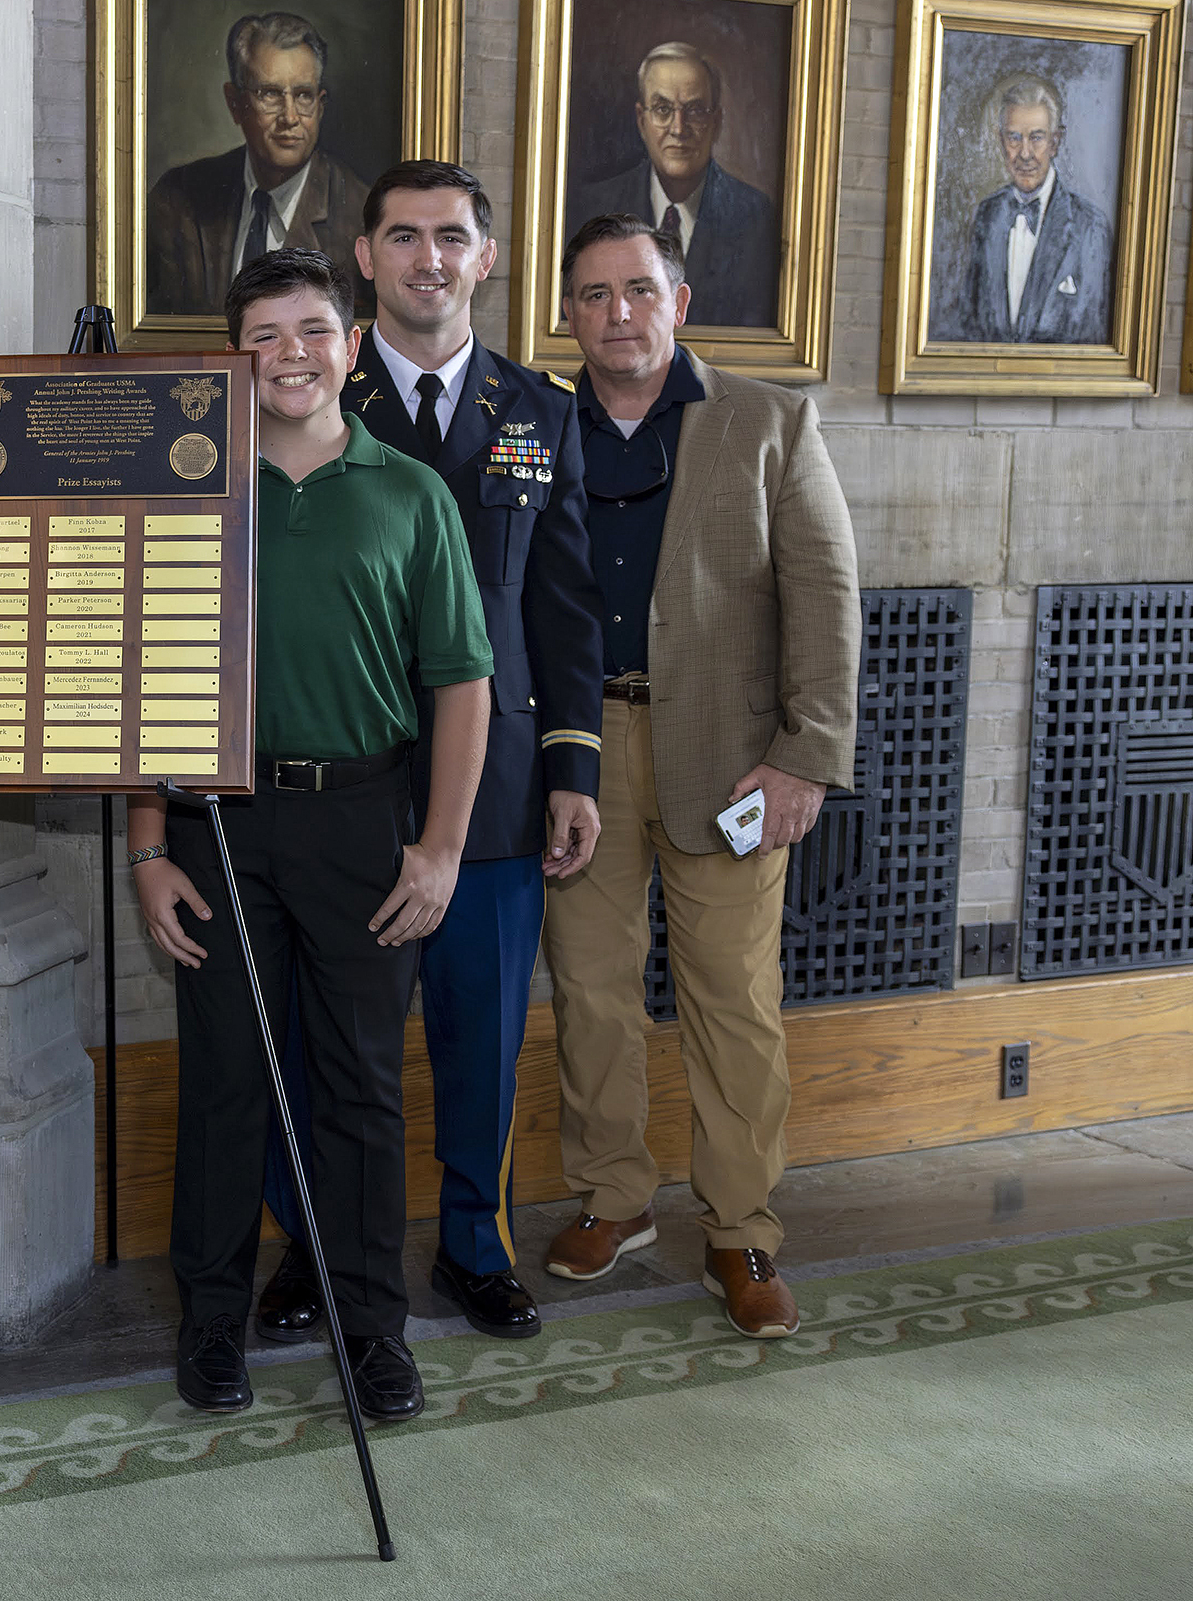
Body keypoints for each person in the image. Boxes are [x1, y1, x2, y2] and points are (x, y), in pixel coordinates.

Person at [130, 246, 492, 1421]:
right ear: (231, 357)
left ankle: (371, 1329)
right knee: (227, 1083)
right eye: (265, 335)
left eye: (314, 330)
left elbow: (462, 685)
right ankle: (214, 1322)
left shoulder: (411, 492)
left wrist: (438, 848)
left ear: (352, 342)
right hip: (212, 825)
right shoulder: (186, 483)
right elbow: (143, 680)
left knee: (360, 1089)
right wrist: (146, 846)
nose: (291, 353)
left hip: (359, 821)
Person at [249, 161, 606, 1348]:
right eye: (402, 236)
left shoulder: (539, 412)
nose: (429, 258)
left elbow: (563, 608)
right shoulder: (312, 399)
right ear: (365, 260)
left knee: (482, 1034)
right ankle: (310, 1243)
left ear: (485, 258)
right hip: (341, 782)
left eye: (452, 236)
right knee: (317, 1037)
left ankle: (475, 1244)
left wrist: (573, 765)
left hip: (493, 791)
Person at [539, 214, 858, 1339]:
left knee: (733, 998)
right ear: (567, 313)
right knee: (591, 988)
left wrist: (807, 755)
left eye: (637, 290)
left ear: (678, 302)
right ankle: (614, 1197)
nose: (616, 313)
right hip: (578, 750)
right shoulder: (534, 424)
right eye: (592, 295)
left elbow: (825, 596)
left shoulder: (770, 420)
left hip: (733, 760)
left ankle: (742, 1228)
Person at [146, 11, 369, 316]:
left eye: (303, 96)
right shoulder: (176, 200)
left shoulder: (361, 214)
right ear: (234, 104)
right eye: (270, 94)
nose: (290, 117)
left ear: (320, 106)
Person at [567, 42, 780, 328]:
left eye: (695, 110)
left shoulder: (756, 216)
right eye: (663, 109)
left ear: (716, 122)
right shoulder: (591, 204)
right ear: (642, 121)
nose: (678, 129)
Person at [953, 76, 1112, 344]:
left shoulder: (1090, 227)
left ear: (1055, 142)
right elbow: (970, 321)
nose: (1025, 154)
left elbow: (1094, 335)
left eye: (1036, 138)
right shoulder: (987, 215)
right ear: (1001, 141)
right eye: (1014, 138)